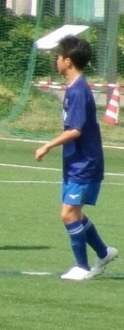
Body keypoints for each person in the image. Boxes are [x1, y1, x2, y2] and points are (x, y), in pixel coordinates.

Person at [35, 35, 118, 281]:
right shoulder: (74, 88)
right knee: (75, 214)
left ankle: (82, 266)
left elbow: (75, 130)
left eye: (58, 57)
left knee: (68, 214)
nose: (56, 61)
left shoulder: (79, 91)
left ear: (68, 61)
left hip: (85, 163)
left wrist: (47, 146)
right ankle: (103, 253)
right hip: (76, 161)